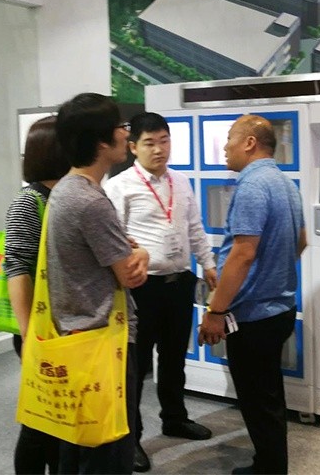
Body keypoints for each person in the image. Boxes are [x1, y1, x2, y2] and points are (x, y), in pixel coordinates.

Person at [104, 112, 218, 473]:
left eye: (164, 141)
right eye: (150, 143)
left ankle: (175, 418)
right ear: (133, 147)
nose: (159, 149)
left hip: (179, 283)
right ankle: (131, 438)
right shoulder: (119, 186)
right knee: (136, 367)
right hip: (142, 288)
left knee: (174, 358)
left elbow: (195, 227)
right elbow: (114, 238)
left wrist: (209, 264)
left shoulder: (181, 181)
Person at [197, 115, 307, 475]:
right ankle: (269, 463)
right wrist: (272, 272)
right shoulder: (285, 183)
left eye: (230, 138)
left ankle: (270, 469)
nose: (225, 148)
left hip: (255, 316)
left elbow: (243, 254)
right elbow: (301, 241)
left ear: (249, 143)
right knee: (268, 396)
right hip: (280, 308)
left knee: (258, 400)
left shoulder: (252, 185)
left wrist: (216, 311)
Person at [46, 93, 149, 474]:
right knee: (107, 451)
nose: (126, 133)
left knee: (78, 446)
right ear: (101, 142)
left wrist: (124, 248)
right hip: (103, 341)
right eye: (121, 127)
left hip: (76, 336)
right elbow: (130, 275)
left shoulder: (65, 190)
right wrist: (142, 254)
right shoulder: (90, 201)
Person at [5, 116, 69, 475]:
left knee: (59, 416)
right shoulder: (29, 202)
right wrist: (30, 334)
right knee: (40, 419)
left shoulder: (67, 194)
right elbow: (16, 267)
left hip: (66, 326)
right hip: (39, 328)